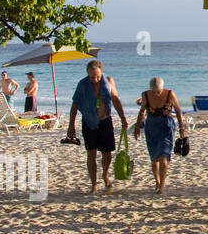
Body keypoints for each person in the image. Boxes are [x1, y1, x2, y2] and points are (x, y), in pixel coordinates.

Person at [67, 60, 129, 195]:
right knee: (91, 154)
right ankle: (94, 184)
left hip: (105, 121)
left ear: (101, 72)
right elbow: (75, 105)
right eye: (92, 77)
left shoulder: (108, 80)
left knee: (107, 153)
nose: (95, 80)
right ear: (87, 74)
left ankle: (105, 175)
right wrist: (71, 125)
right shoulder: (82, 84)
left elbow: (115, 99)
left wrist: (123, 117)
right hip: (89, 122)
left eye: (98, 77)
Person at [134, 77, 186, 195]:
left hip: (166, 126)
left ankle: (162, 185)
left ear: (162, 88)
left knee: (163, 156)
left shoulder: (169, 93)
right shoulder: (145, 95)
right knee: (154, 157)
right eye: (154, 91)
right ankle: (157, 182)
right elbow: (142, 111)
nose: (156, 94)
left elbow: (177, 110)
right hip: (151, 126)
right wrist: (137, 126)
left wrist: (181, 128)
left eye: (158, 91)